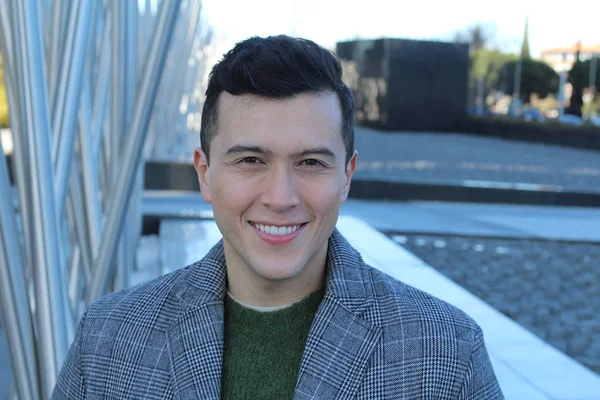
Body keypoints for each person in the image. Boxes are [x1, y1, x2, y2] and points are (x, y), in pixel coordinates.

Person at [52, 35, 503, 399]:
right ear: (205, 175)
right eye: (250, 160)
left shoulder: (446, 353)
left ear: (346, 176)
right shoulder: (108, 340)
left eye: (310, 163)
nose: (281, 197)